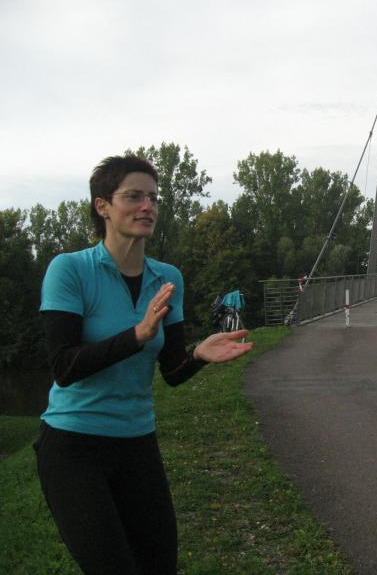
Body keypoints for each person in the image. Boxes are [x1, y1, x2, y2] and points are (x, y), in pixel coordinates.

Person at [34, 155, 254, 574]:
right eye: (134, 196)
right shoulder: (70, 270)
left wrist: (198, 355)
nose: (147, 206)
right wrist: (136, 335)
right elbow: (64, 366)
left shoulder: (167, 278)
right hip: (73, 447)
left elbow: (171, 373)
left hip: (137, 443)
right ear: (103, 206)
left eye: (153, 197)